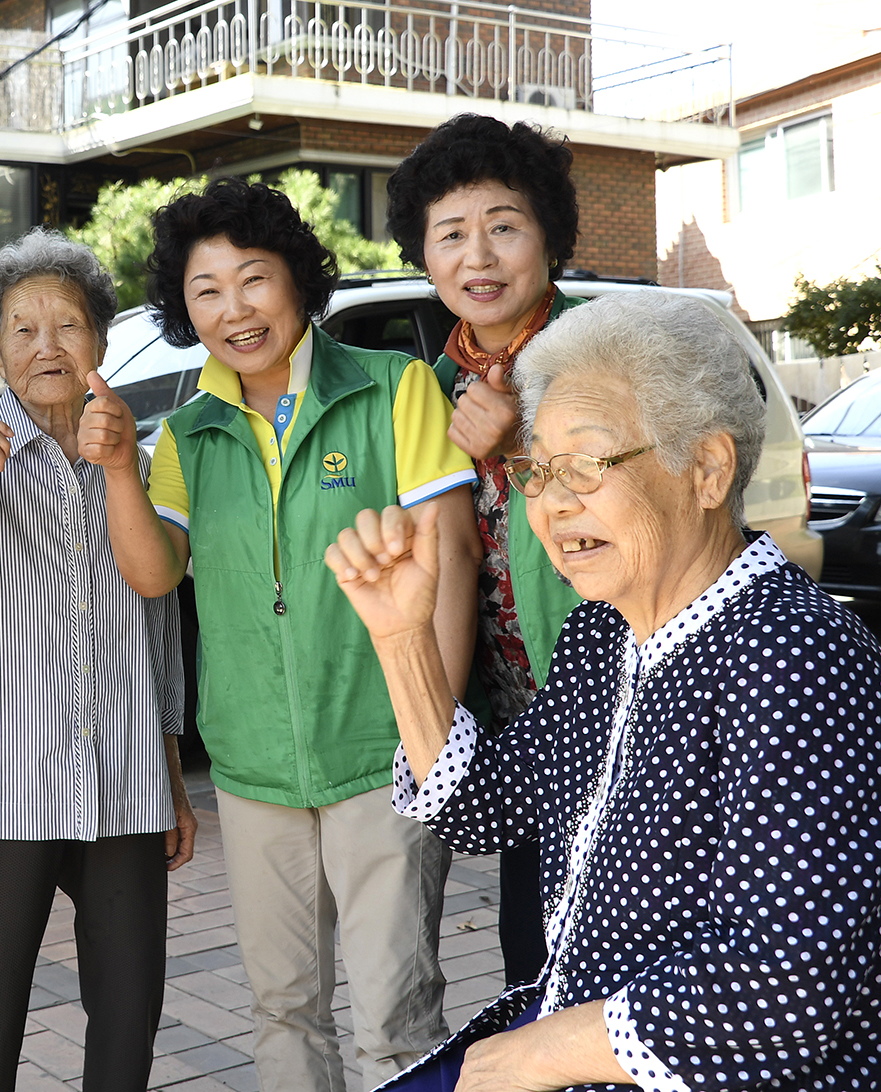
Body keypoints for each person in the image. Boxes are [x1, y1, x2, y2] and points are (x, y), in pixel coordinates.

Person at [326, 290, 881, 1092]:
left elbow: (782, 994)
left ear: (708, 469)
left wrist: (536, 1054)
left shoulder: (795, 654)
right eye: (537, 468)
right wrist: (402, 639)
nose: (551, 502)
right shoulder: (603, 632)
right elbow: (489, 808)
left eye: (587, 463)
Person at [79, 178, 481, 1090]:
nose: (234, 310)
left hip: (383, 754)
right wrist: (114, 468)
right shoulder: (187, 432)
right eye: (205, 290)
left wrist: (436, 735)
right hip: (255, 767)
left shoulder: (395, 388)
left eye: (252, 279)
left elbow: (452, 558)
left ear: (298, 280)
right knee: (282, 1012)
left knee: (396, 1019)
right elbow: (154, 573)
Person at [0, 228, 197, 1092]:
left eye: (68, 325)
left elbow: (159, 614)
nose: (47, 346)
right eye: (23, 329)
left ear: (102, 337)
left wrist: (169, 764)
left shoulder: (140, 452)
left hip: (122, 781)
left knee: (130, 1017)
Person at [386, 112, 585, 986]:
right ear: (425, 258)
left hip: (609, 705)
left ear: (548, 237)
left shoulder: (602, 361)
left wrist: (519, 450)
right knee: (527, 956)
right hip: (509, 723)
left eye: (504, 227)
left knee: (607, 947)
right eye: (452, 235)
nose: (479, 257)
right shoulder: (428, 391)